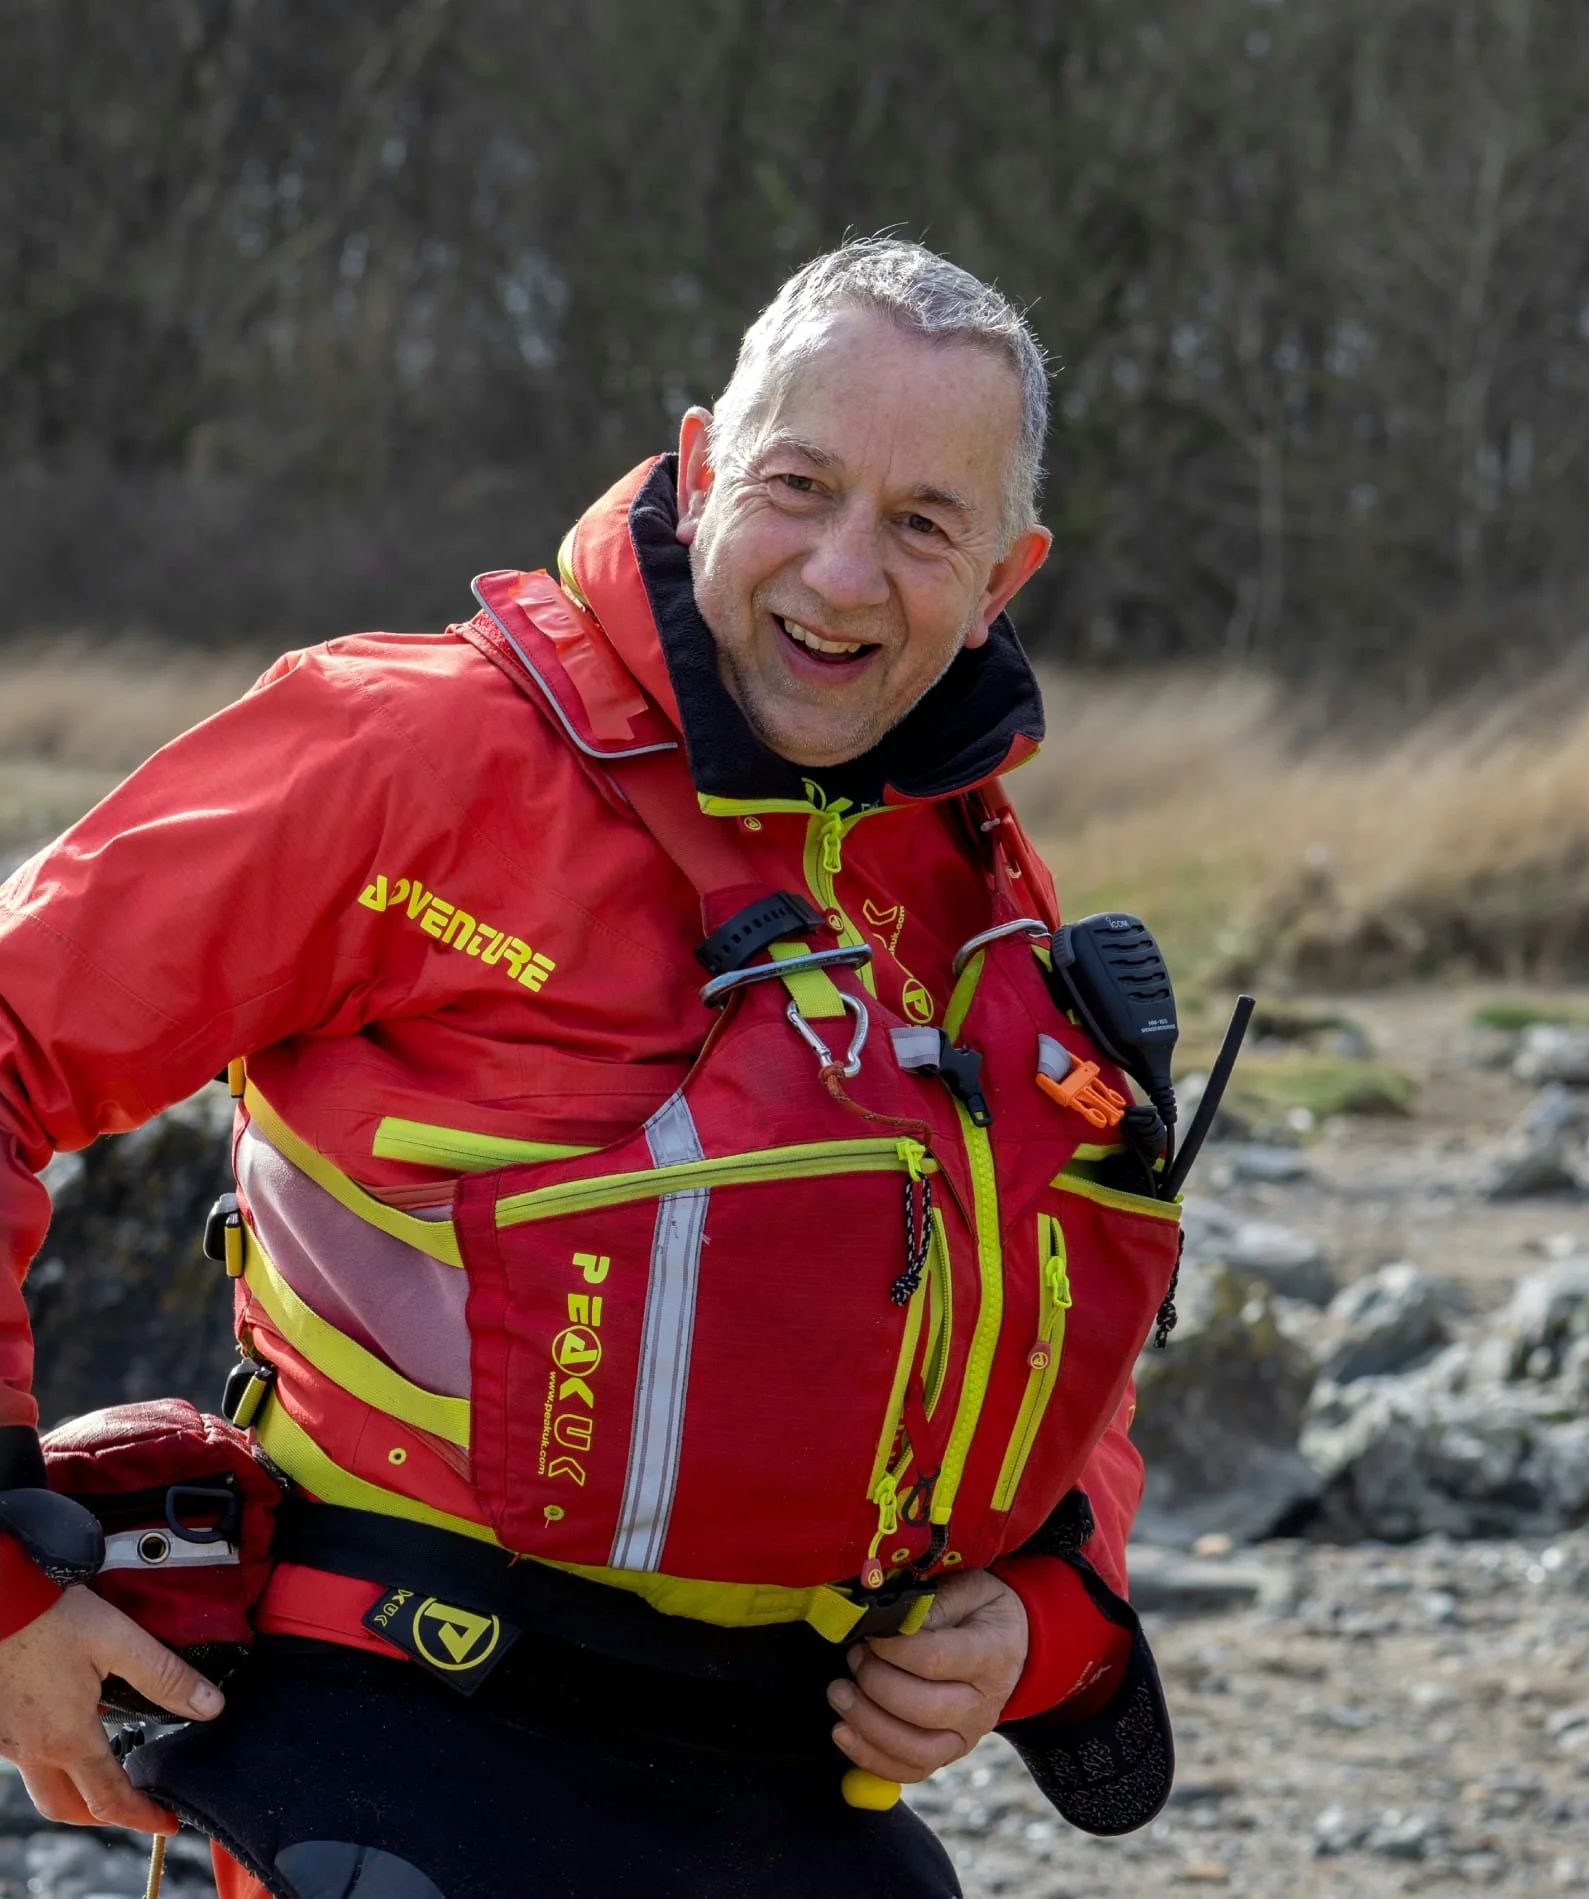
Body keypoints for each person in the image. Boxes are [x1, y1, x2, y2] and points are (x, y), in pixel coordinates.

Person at [0, 239, 1178, 1898]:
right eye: (797, 485)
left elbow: (1066, 1313)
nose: (842, 577)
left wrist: (1039, 1622)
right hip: (392, 1734)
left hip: (779, 1781)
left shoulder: (975, 890)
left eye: (922, 525)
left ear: (1004, 577)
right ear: (700, 467)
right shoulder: (407, 753)